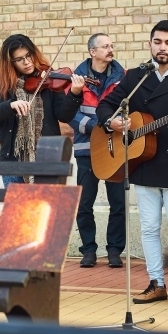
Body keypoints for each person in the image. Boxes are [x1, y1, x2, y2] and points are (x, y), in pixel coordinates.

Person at [96, 20, 168, 305]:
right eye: (158, 42)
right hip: (143, 163)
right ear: (150, 44)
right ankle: (156, 282)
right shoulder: (136, 77)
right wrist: (113, 122)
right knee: (148, 227)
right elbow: (105, 105)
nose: (163, 48)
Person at [0, 34, 85, 186]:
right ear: (10, 63)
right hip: (12, 162)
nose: (27, 62)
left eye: (29, 56)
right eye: (20, 59)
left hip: (47, 156)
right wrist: (10, 105)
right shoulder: (3, 85)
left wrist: (75, 93)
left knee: (46, 209)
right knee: (18, 210)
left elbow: (64, 115)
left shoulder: (48, 78)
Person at [68, 33, 126, 268]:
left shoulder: (123, 78)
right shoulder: (76, 79)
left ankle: (114, 251)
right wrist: (98, 126)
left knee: (118, 203)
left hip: (115, 149)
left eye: (111, 46)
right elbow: (70, 114)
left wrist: (120, 122)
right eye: (105, 47)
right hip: (86, 149)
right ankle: (88, 250)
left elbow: (128, 107)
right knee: (84, 204)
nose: (110, 50)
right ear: (93, 52)